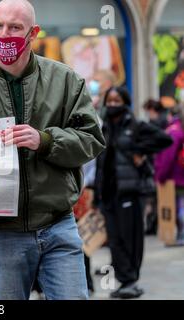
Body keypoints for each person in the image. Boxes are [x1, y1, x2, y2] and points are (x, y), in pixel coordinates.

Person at [0, 0, 106, 300]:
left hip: (57, 223)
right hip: (0, 234)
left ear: (33, 33)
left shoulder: (65, 81)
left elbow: (91, 139)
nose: (5, 33)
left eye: (15, 27)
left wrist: (46, 141)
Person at [94, 86, 172, 299]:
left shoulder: (136, 126)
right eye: (109, 101)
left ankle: (130, 280)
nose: (112, 104)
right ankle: (124, 280)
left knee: (131, 238)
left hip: (130, 191)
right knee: (114, 239)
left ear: (125, 102)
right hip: (108, 193)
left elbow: (166, 140)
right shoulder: (105, 128)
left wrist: (140, 151)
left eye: (116, 100)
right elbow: (101, 161)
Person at [154, 105, 184, 245]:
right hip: (179, 175)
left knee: (179, 206)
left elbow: (168, 157)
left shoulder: (173, 132)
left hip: (176, 177)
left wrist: (161, 176)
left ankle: (181, 235)